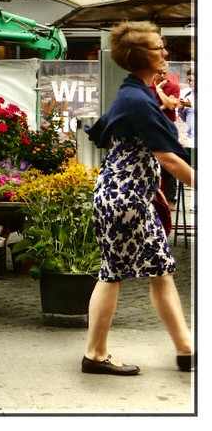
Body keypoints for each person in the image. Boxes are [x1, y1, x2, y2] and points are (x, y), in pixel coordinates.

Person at [82, 22, 193, 375]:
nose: (165, 52)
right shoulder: (135, 98)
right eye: (160, 47)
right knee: (112, 274)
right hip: (124, 201)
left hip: (132, 201)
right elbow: (169, 159)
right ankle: (95, 354)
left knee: (161, 271)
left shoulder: (138, 93)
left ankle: (186, 350)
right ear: (142, 55)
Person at [151, 68, 182, 206]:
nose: (163, 76)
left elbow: (171, 105)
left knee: (170, 162)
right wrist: (162, 106)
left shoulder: (173, 86)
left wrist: (159, 91)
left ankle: (170, 199)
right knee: (151, 162)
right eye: (160, 73)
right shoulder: (147, 87)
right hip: (152, 128)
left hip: (168, 128)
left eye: (165, 73)